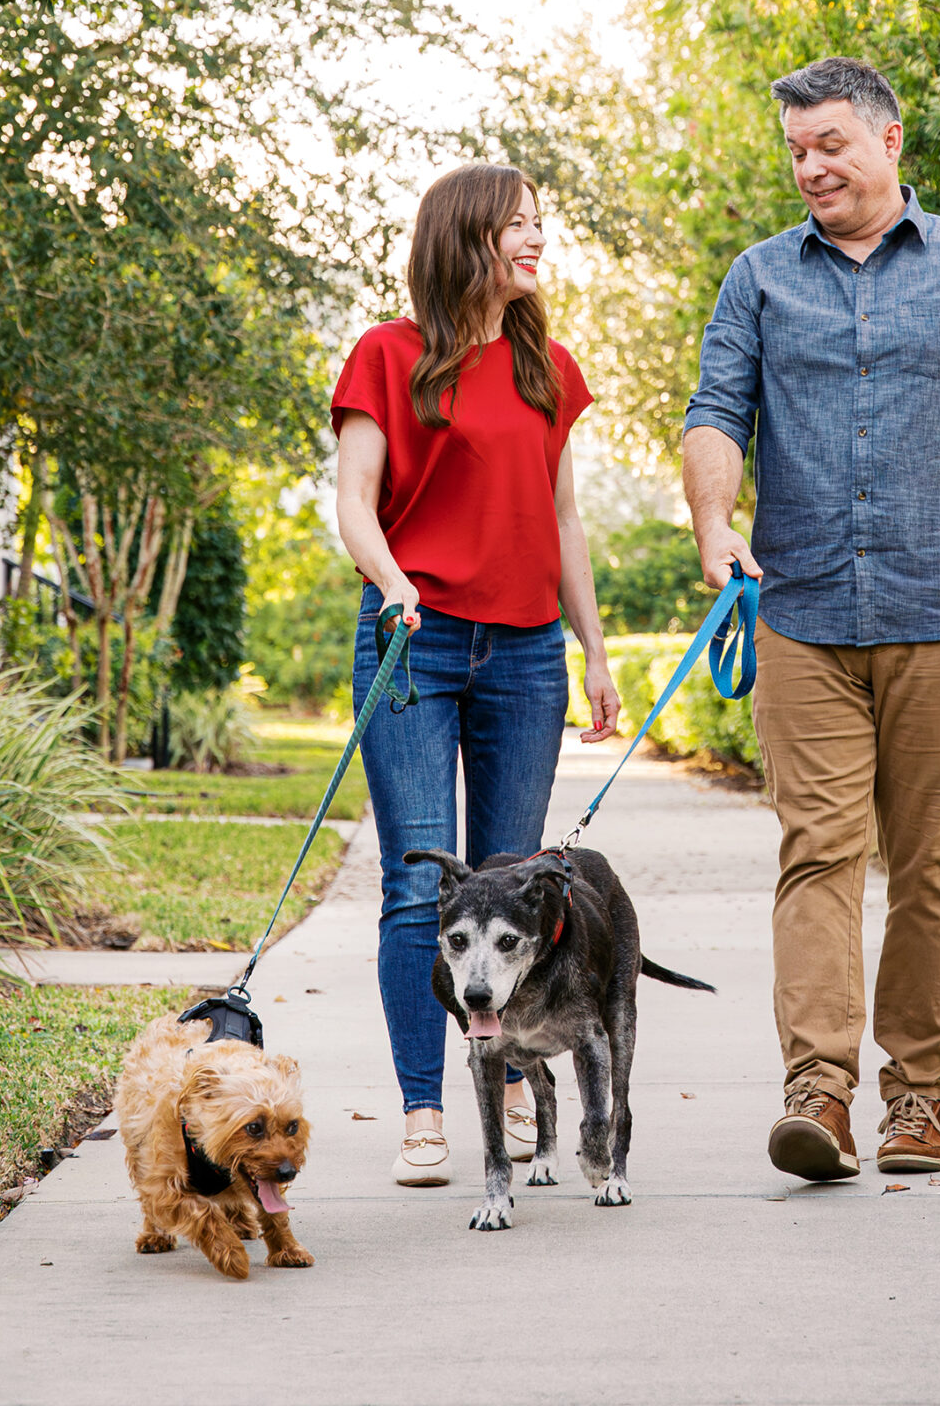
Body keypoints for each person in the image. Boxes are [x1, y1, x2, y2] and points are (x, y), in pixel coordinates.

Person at [682, 55, 940, 1181]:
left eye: (830, 146)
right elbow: (716, 413)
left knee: (931, 866)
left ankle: (919, 1100)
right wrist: (717, 523)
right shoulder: (759, 279)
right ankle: (819, 1092)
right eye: (797, 150)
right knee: (816, 855)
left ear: (889, 141)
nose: (810, 167)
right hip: (801, 615)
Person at [333, 162, 619, 1189]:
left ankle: (499, 1078)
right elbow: (355, 504)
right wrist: (394, 580)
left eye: (542, 223)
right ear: (466, 239)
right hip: (416, 641)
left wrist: (594, 649)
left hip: (529, 652)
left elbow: (564, 520)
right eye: (520, 226)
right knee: (421, 891)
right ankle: (422, 1108)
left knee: (516, 887)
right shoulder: (387, 356)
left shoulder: (548, 369)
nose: (538, 242)